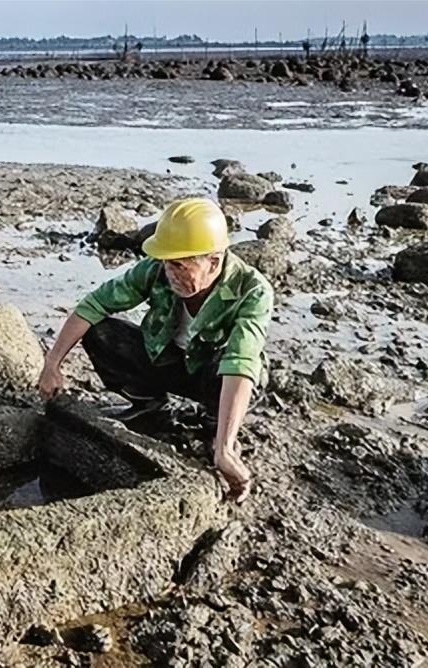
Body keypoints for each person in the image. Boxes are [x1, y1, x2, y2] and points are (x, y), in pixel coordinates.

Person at [38, 197, 274, 503]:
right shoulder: (156, 270)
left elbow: (241, 362)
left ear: (213, 262)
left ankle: (215, 426)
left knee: (233, 367)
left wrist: (225, 448)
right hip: (167, 360)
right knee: (101, 331)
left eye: (180, 265)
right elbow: (93, 305)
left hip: (216, 374)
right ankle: (149, 405)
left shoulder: (252, 290)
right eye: (166, 262)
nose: (170, 272)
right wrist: (52, 362)